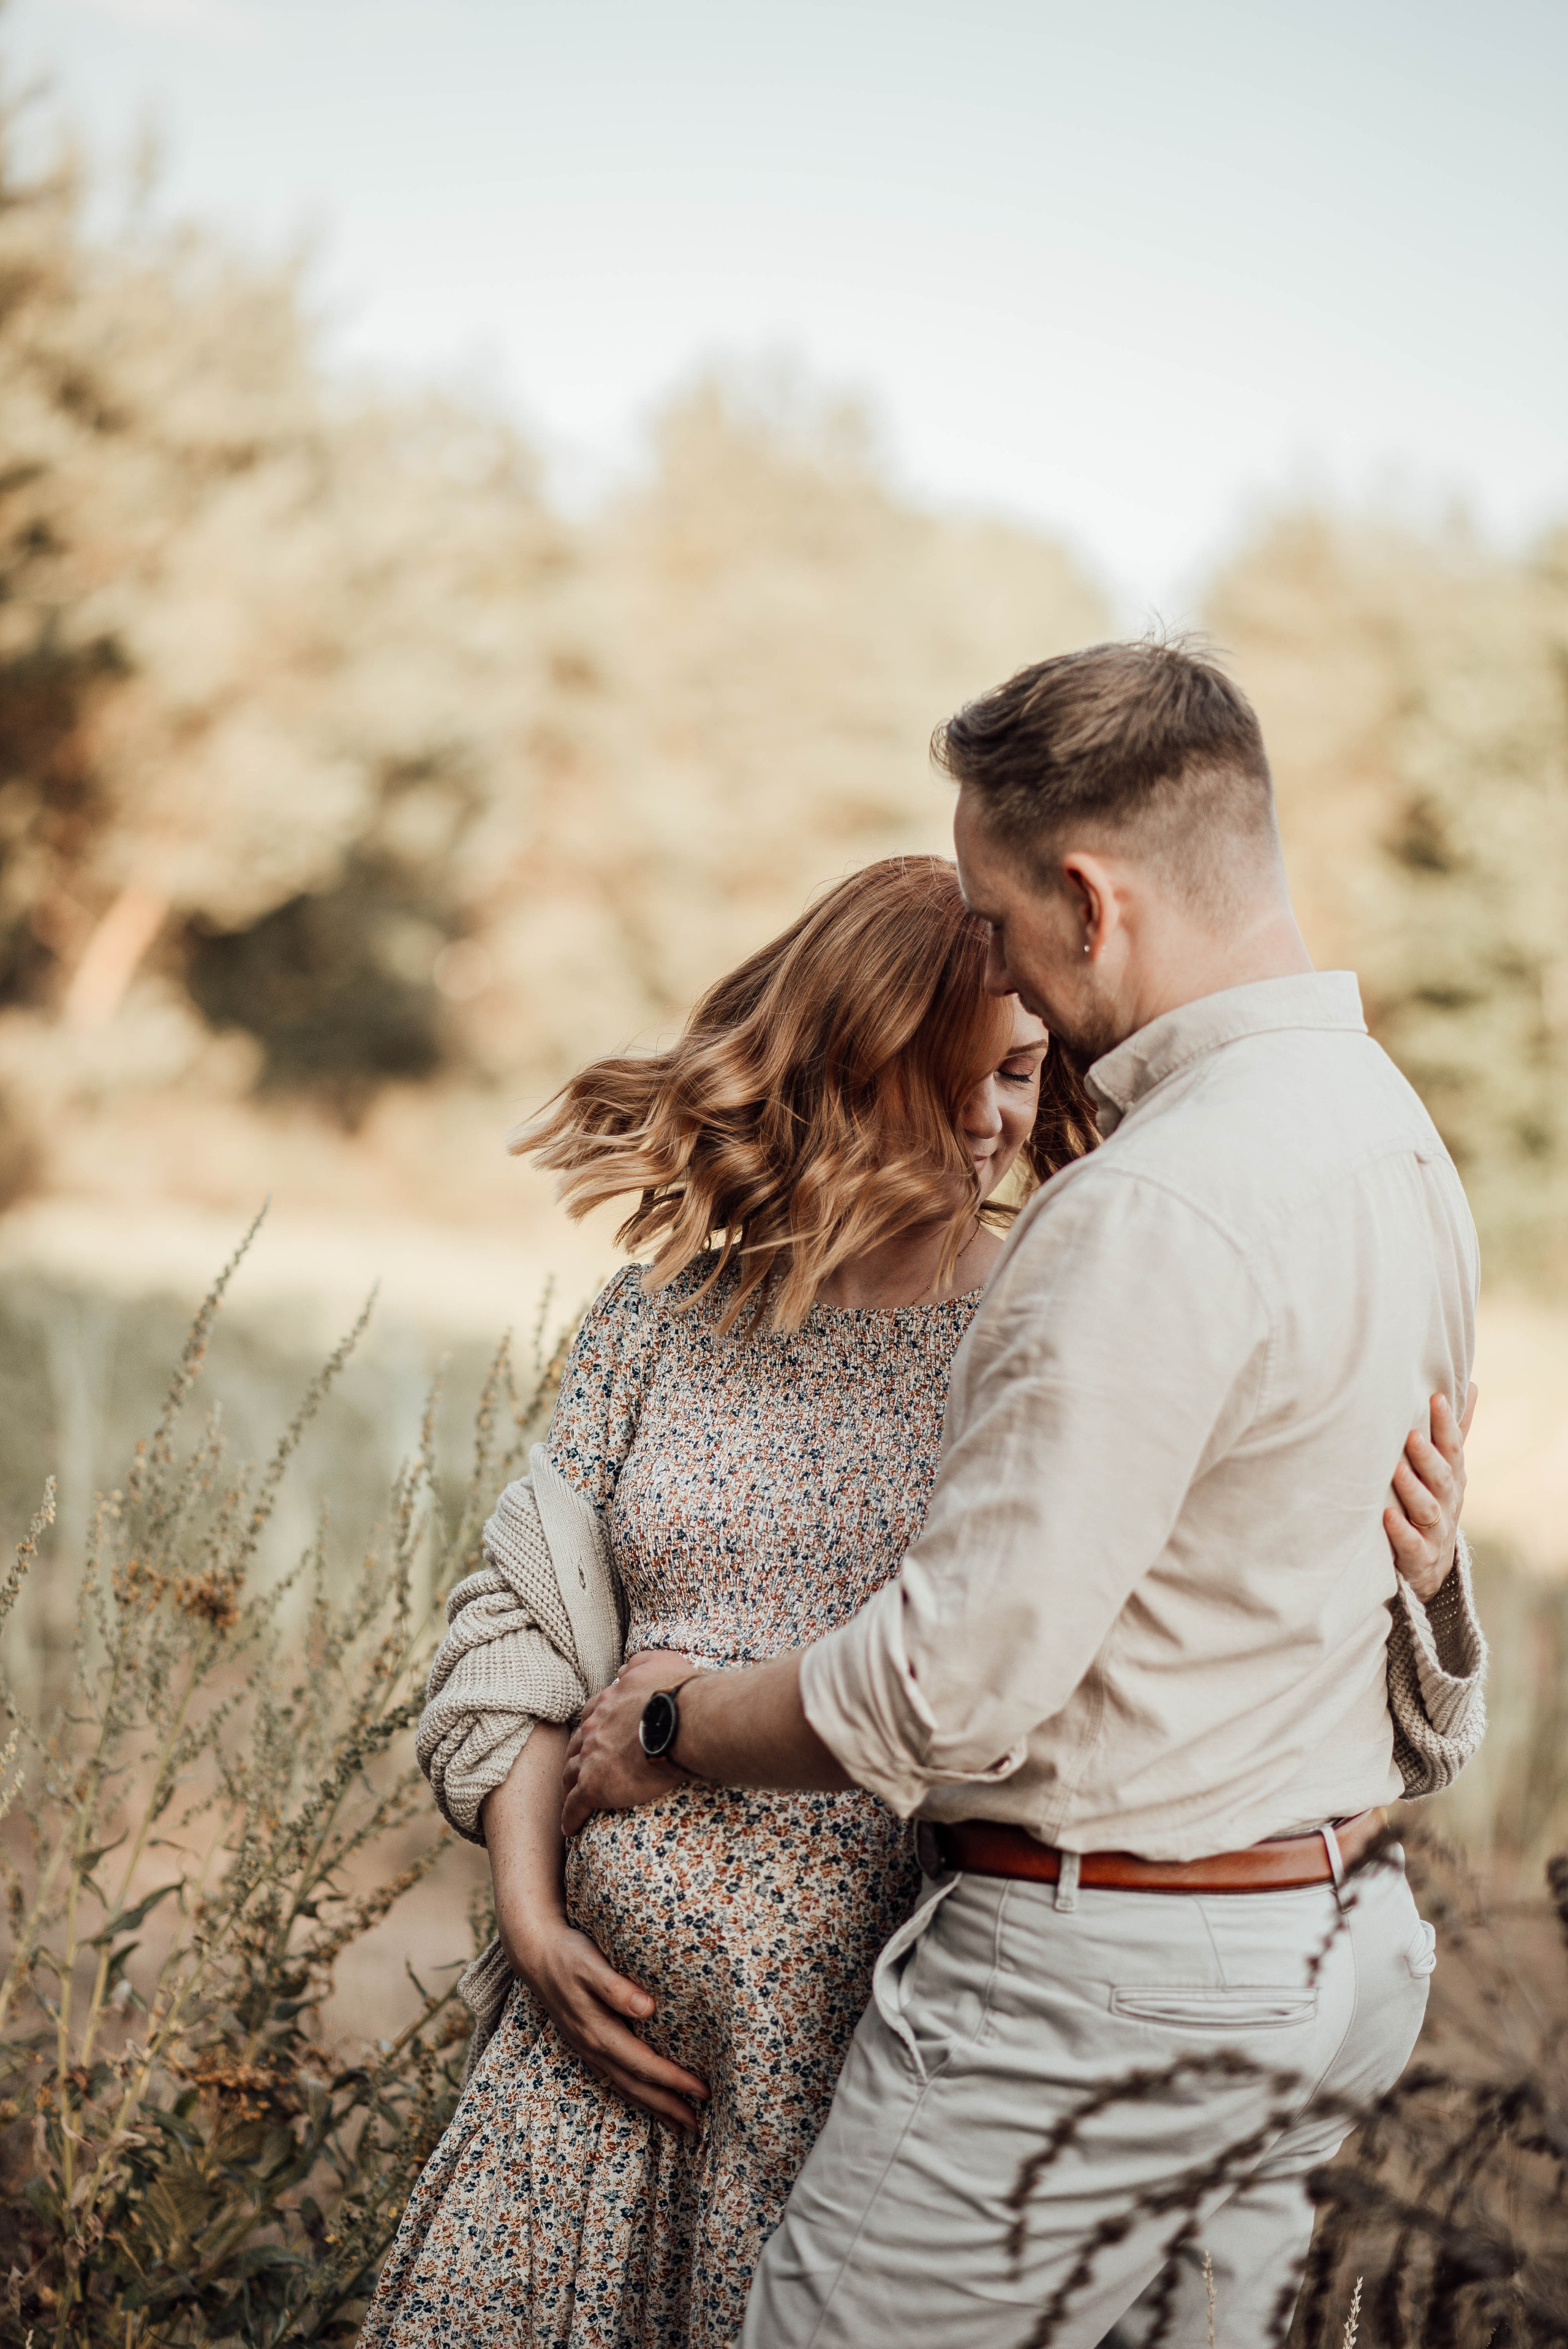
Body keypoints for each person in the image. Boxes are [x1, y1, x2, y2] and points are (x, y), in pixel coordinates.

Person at [561, 641, 1485, 2349]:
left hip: (1104, 1987)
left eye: (992, 918)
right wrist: (1432, 1601)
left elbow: (943, 1683)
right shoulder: (1398, 1147)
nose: (993, 970)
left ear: (1087, 896)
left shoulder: (1149, 1210)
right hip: (1321, 1951)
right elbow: (1385, 1625)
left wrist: (675, 1724)